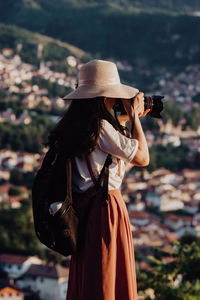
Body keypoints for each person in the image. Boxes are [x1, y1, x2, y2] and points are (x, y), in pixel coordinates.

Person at [47, 60, 150, 300]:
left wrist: (123, 122)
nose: (115, 101)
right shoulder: (101, 127)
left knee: (91, 274)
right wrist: (135, 117)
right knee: (107, 274)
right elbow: (143, 157)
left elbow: (102, 158)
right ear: (103, 98)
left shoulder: (73, 126)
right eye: (113, 96)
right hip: (106, 210)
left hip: (83, 209)